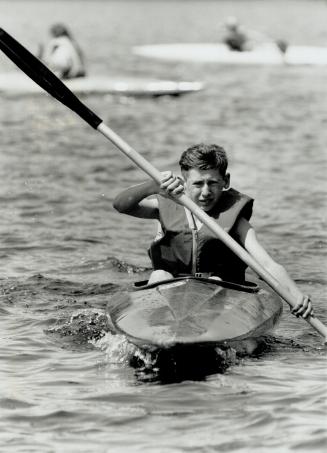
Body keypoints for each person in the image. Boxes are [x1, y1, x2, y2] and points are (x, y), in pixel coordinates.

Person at [113, 143, 313, 319]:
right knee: (159, 275)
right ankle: (158, 325)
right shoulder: (165, 205)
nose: (206, 192)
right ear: (184, 182)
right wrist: (151, 187)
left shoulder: (237, 221)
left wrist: (295, 296)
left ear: (225, 181)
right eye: (198, 184)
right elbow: (121, 206)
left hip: (219, 293)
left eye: (213, 183)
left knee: (215, 281)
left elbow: (267, 264)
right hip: (172, 292)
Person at [220, 16, 288, 54]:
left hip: (252, 45)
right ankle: (277, 44)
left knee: (254, 42)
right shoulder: (235, 35)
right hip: (248, 45)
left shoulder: (241, 33)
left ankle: (278, 45)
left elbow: (255, 38)